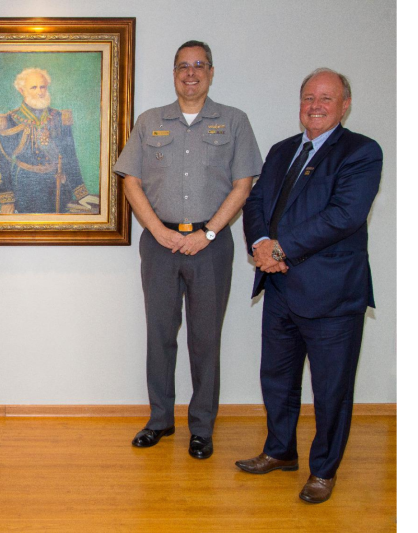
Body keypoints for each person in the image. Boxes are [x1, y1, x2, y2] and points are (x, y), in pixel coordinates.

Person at [237, 68, 383, 503]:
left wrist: (278, 250)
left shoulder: (361, 151)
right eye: (307, 97)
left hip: (333, 295)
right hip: (280, 290)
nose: (314, 105)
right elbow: (256, 202)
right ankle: (280, 451)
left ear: (345, 105)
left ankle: (324, 470)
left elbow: (344, 216)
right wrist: (261, 244)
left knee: (331, 390)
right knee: (277, 379)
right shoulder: (283, 150)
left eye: (325, 98)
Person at [113, 41, 263, 459]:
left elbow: (243, 184)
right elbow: (131, 181)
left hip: (211, 245)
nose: (190, 73)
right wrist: (157, 230)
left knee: (205, 338)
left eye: (199, 66)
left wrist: (210, 233)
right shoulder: (149, 122)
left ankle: (202, 427)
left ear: (211, 72)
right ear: (174, 72)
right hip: (160, 244)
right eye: (183, 66)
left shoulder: (233, 122)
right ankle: (160, 419)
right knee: (159, 335)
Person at [0, 68, 99, 214]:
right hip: (24, 189)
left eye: (42, 86)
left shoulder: (60, 117)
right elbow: (1, 162)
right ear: (22, 90)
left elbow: (70, 156)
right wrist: (7, 200)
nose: (39, 92)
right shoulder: (10, 120)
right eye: (34, 87)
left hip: (56, 188)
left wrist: (81, 194)